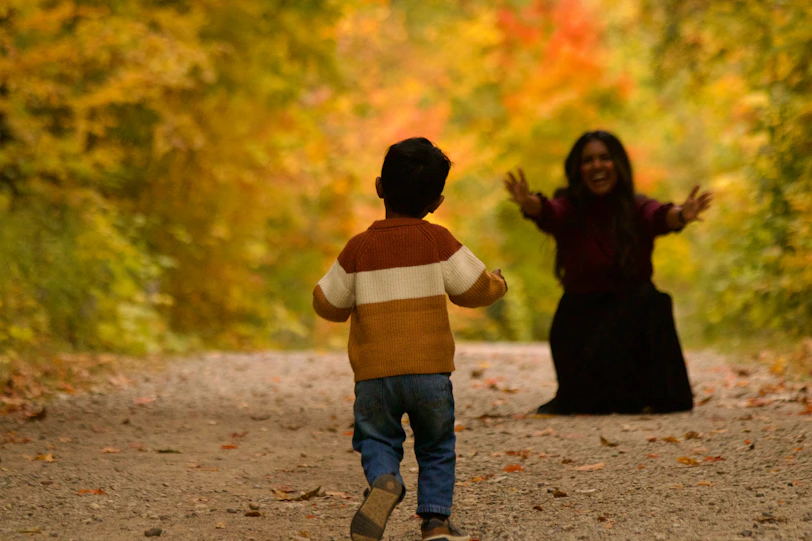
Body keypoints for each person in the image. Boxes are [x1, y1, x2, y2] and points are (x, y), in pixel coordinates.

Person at [313, 137, 507, 541]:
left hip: (375, 378)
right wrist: (498, 284)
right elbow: (473, 289)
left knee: (377, 438)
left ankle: (385, 480)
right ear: (436, 201)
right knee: (436, 445)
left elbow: (328, 304)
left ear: (380, 186)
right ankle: (435, 522)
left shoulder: (359, 248)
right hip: (430, 373)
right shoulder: (437, 241)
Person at [504, 130, 712, 415]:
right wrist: (528, 202)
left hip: (632, 317)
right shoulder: (570, 207)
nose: (597, 166)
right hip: (583, 320)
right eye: (588, 161)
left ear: (618, 164)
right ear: (579, 170)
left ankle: (646, 391)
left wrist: (682, 215)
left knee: (654, 302)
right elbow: (549, 212)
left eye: (605, 158)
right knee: (592, 400)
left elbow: (660, 215)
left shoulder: (635, 205)